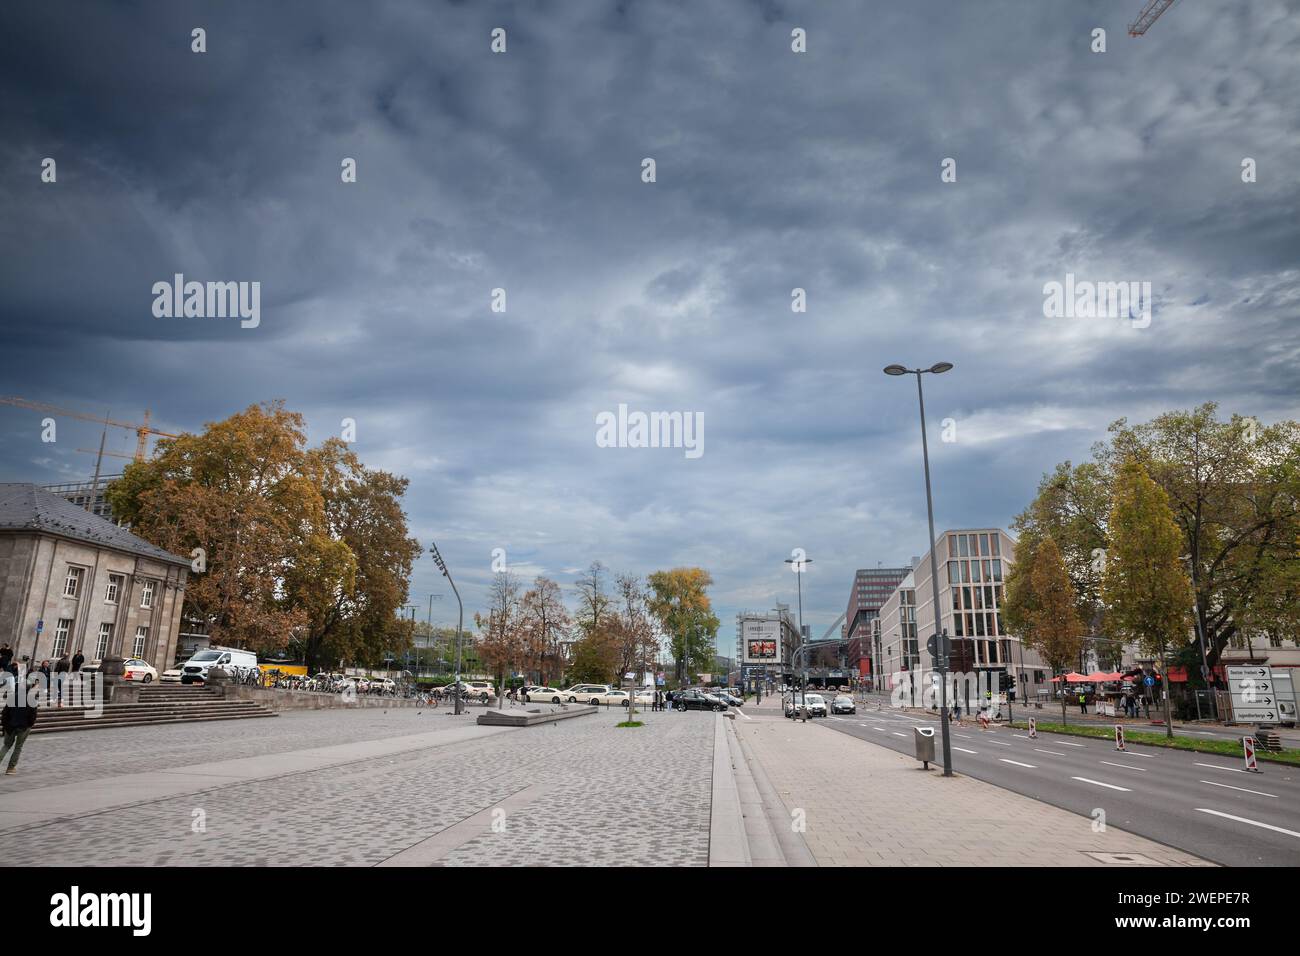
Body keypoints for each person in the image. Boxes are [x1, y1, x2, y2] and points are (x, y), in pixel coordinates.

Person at [0, 671, 38, 774]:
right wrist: (30, 724)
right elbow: (33, 715)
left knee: (6, 746)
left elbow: (5, 713)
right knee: (18, 747)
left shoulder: (12, 696)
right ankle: (11, 768)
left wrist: (5, 724)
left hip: (10, 725)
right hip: (24, 726)